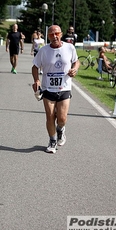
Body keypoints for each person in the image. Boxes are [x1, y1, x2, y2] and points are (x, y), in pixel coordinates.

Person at [31, 25, 80, 154]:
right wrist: (36, 80)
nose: (55, 36)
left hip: (64, 87)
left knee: (62, 118)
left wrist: (75, 69)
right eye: (52, 34)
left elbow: (76, 61)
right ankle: (52, 140)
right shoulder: (44, 50)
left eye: (57, 33)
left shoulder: (69, 47)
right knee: (50, 116)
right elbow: (35, 66)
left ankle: (61, 129)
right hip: (48, 89)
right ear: (48, 36)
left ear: (61, 34)